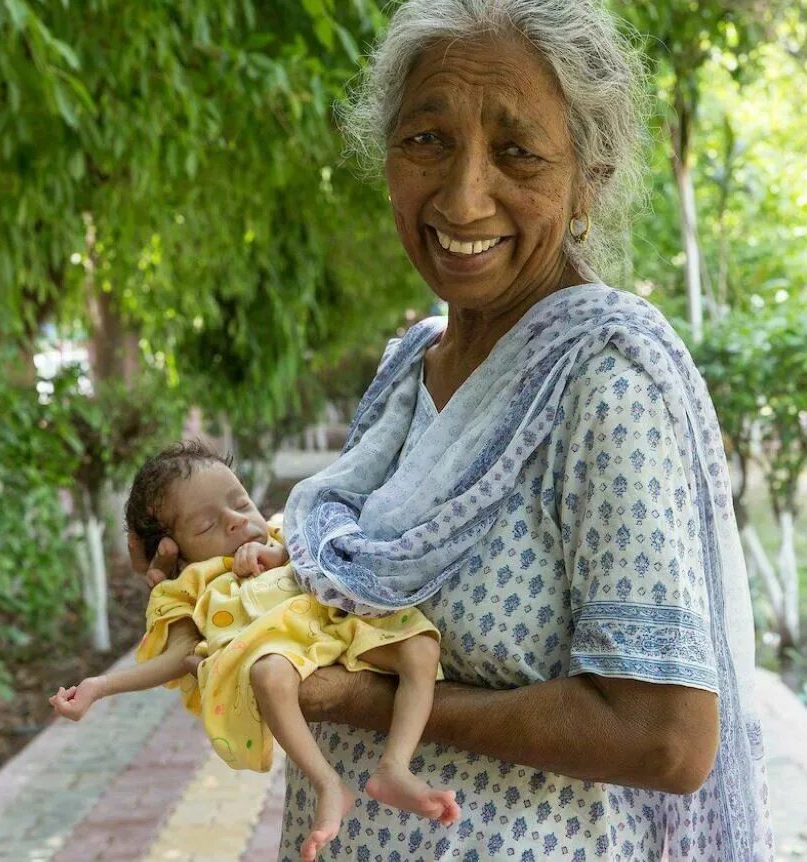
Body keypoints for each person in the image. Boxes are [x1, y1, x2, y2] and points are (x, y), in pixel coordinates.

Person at [135, 1, 775, 859]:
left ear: (589, 178)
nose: (462, 195)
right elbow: (343, 583)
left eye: (516, 152)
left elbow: (665, 736)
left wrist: (354, 700)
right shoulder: (410, 366)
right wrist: (210, 565)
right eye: (427, 140)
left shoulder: (603, 388)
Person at [53, 442, 459, 862]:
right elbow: (176, 658)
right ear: (174, 551)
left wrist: (284, 554)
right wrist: (100, 687)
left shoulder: (284, 531)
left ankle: (394, 766)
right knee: (268, 676)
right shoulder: (189, 583)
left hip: (343, 623)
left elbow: (334, 552)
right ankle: (326, 783)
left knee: (420, 649)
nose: (235, 522)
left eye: (240, 503)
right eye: (207, 526)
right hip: (282, 646)